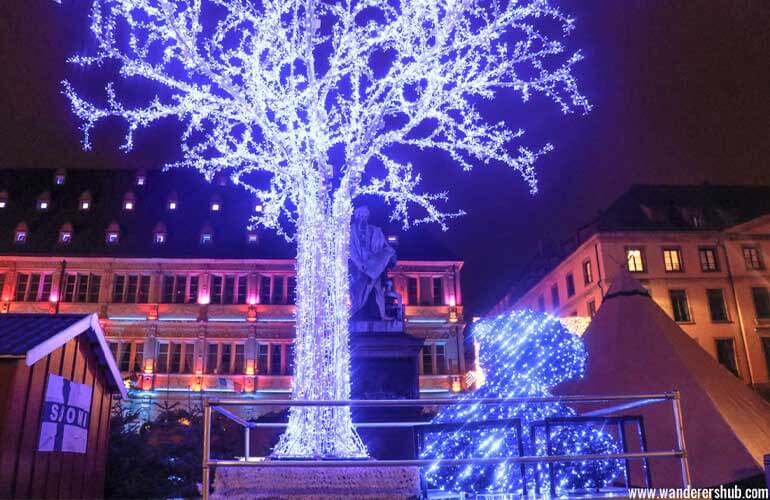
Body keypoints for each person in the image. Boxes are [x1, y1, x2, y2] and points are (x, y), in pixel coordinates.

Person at [349, 206, 396, 320]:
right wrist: (360, 264)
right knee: (360, 293)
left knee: (378, 290)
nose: (363, 218)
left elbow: (386, 246)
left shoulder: (376, 230)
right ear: (356, 217)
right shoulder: (351, 230)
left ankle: (383, 315)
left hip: (374, 265)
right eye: (360, 216)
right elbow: (351, 250)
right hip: (359, 268)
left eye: (365, 216)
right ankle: (352, 313)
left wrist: (390, 253)